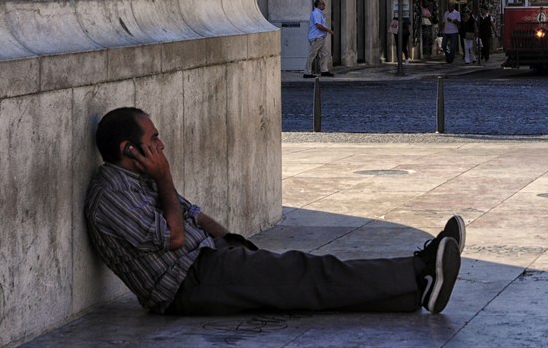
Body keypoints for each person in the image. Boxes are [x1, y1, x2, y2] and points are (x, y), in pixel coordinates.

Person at [84, 108, 465, 316]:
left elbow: (192, 214)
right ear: (128, 150)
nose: (161, 145)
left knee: (302, 279)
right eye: (152, 141)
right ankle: (420, 272)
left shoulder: (141, 178)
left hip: (209, 262)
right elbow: (175, 236)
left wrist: (229, 244)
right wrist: (165, 177)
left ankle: (415, 291)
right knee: (307, 274)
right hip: (184, 285)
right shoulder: (111, 196)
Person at [305, 0, 334, 78]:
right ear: (319, 5)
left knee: (325, 54)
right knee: (312, 55)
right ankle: (307, 73)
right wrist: (329, 30)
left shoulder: (319, 13)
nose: (324, 5)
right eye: (323, 4)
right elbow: (318, 26)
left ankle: (324, 71)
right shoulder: (316, 13)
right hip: (316, 38)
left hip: (320, 38)